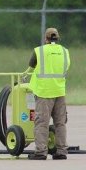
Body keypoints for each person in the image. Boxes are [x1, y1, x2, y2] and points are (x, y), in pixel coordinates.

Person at [27, 27, 71, 160]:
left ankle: (41, 152)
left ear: (45, 39)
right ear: (58, 38)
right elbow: (67, 66)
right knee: (60, 122)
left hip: (44, 92)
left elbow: (31, 64)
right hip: (59, 91)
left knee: (41, 123)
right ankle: (62, 151)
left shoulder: (39, 51)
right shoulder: (64, 51)